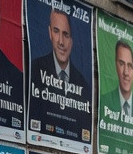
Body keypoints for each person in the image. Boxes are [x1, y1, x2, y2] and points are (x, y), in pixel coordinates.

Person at [27, 9, 91, 137]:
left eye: (66, 35)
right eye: (56, 32)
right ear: (50, 33)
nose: (61, 41)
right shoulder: (34, 70)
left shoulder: (82, 84)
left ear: (72, 41)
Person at [100, 40, 133, 123]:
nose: (126, 72)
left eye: (130, 66)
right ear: (115, 65)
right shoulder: (104, 102)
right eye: (121, 64)